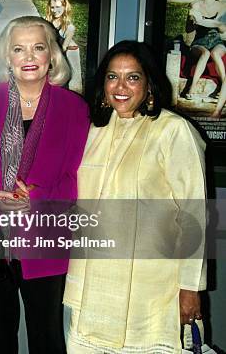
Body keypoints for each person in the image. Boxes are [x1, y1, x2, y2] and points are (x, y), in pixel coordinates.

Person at [0, 16, 90, 353]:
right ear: (7, 56)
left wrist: (39, 198)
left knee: (45, 335)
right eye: (19, 49)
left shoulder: (73, 108)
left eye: (38, 48)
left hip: (45, 233)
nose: (29, 57)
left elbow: (79, 175)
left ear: (52, 57)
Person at [63, 40, 206, 352]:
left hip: (150, 288)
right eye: (113, 77)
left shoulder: (173, 131)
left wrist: (190, 288)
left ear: (149, 84)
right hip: (91, 285)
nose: (121, 87)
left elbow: (195, 216)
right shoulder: (92, 130)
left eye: (133, 77)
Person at [180, 0, 226, 117]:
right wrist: (196, 20)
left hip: (217, 40)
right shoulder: (196, 4)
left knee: (216, 54)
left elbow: (221, 27)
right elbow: (190, 27)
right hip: (200, 41)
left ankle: (223, 85)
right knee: (205, 54)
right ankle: (191, 89)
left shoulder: (222, 6)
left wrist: (202, 21)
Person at [46, 0, 83, 93]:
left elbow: (63, 48)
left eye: (58, 7)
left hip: (63, 57)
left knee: (62, 83)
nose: (54, 10)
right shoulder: (48, 22)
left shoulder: (69, 27)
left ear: (64, 7)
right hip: (51, 55)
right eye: (52, 7)